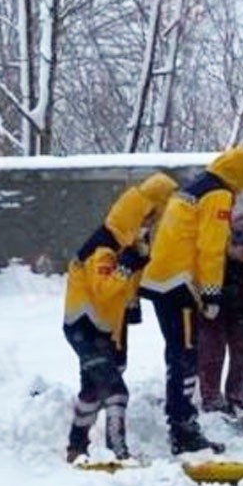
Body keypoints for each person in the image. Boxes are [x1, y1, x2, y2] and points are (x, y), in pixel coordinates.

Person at [140, 145, 243, 454]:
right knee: (185, 357)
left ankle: (181, 423)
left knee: (178, 355)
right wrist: (212, 295)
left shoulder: (194, 188)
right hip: (180, 284)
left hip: (161, 279)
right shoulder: (217, 195)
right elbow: (210, 249)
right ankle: (184, 431)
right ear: (238, 177)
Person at [63, 173, 177, 462]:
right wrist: (128, 264)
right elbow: (105, 291)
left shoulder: (120, 247)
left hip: (101, 330)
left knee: (92, 390)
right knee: (116, 391)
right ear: (137, 215)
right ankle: (118, 451)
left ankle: (76, 447)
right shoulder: (102, 249)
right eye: (147, 219)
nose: (149, 226)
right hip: (86, 328)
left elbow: (124, 292)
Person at [198, 212, 243, 414]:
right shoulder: (215, 253)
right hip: (215, 310)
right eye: (239, 249)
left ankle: (237, 395)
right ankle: (211, 396)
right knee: (212, 353)